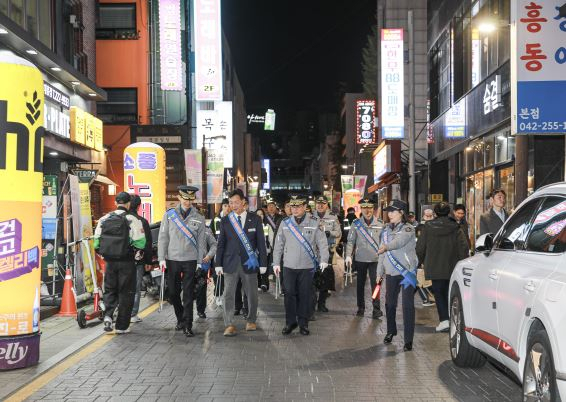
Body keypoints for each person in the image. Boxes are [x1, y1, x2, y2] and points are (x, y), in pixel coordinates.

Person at [273, 195, 329, 336]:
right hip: (289, 265)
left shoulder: (315, 222)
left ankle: (303, 324)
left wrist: (324, 259)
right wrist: (275, 262)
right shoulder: (285, 223)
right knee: (289, 294)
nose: (295, 209)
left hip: (307, 266)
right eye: (293, 206)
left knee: (305, 295)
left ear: (305, 207)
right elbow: (278, 244)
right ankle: (290, 322)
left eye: (298, 206)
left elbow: (322, 242)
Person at [215, 189, 268, 337]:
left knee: (251, 294)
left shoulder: (255, 219)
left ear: (243, 202)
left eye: (236, 202)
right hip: (230, 263)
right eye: (231, 203)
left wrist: (263, 263)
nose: (233, 206)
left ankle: (251, 320)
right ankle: (229, 324)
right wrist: (218, 264)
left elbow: (261, 243)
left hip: (250, 263)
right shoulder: (225, 221)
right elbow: (221, 244)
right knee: (228, 295)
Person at [94, 192, 146, 334]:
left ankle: (108, 316)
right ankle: (122, 326)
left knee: (110, 289)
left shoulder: (104, 219)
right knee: (126, 292)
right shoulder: (133, 219)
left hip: (109, 262)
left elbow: (96, 243)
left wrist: (105, 254)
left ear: (116, 203)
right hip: (127, 262)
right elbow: (141, 243)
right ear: (128, 204)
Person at [157, 185, 207, 337]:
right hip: (172, 259)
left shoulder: (199, 217)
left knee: (188, 294)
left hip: (190, 260)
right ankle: (180, 318)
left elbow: (201, 242)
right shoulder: (169, 215)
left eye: (190, 199)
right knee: (173, 293)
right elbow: (163, 237)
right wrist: (161, 258)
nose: (187, 202)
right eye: (185, 198)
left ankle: (187, 325)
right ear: (179, 197)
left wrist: (199, 261)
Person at [416, 202, 469, 332]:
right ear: (449, 212)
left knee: (438, 293)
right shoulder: (456, 227)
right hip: (453, 265)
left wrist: (420, 261)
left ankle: (444, 320)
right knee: (451, 292)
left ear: (435, 213)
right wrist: (463, 262)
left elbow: (420, 247)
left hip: (434, 266)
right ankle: (453, 319)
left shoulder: (428, 227)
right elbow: (463, 247)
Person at [377, 199, 418, 352]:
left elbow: (399, 242)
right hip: (391, 272)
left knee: (407, 306)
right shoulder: (385, 230)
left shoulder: (408, 228)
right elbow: (381, 253)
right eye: (388, 211)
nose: (390, 214)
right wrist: (379, 272)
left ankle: (408, 340)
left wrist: (386, 247)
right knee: (390, 304)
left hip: (407, 273)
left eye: (393, 211)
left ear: (401, 213)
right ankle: (391, 331)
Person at [345, 197, 384, 319]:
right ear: (361, 209)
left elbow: (384, 242)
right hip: (360, 259)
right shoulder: (356, 224)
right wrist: (348, 255)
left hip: (375, 260)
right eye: (365, 208)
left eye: (370, 208)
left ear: (373, 209)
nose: (367, 211)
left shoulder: (381, 224)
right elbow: (350, 241)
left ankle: (376, 309)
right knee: (360, 285)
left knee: (376, 285)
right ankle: (361, 307)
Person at [313, 195, 341, 313]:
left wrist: (329, 233)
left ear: (326, 205)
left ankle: (322, 303)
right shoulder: (310, 216)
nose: (320, 206)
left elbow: (338, 232)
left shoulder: (333, 217)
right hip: (313, 252)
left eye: (323, 203)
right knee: (313, 278)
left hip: (327, 251)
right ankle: (312, 302)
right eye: (318, 203)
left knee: (325, 278)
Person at [128, 195, 153, 323]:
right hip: (137, 259)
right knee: (135, 287)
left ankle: (120, 312)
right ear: (139, 206)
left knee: (122, 286)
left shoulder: (120, 219)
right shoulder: (142, 221)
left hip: (120, 260)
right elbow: (148, 243)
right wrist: (148, 261)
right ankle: (132, 314)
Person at [196, 226, 217, 318]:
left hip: (202, 263)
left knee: (201, 287)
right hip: (187, 262)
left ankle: (200, 310)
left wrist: (209, 255)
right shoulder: (184, 227)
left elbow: (214, 244)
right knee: (188, 288)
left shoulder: (206, 229)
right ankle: (186, 313)